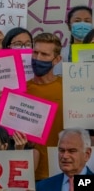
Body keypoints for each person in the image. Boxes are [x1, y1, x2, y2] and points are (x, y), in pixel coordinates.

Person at [26, 33, 64, 181]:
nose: (38, 58)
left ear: (57, 59)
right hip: (31, 172)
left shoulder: (68, 87)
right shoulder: (21, 90)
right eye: (35, 52)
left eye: (45, 54)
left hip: (63, 171)